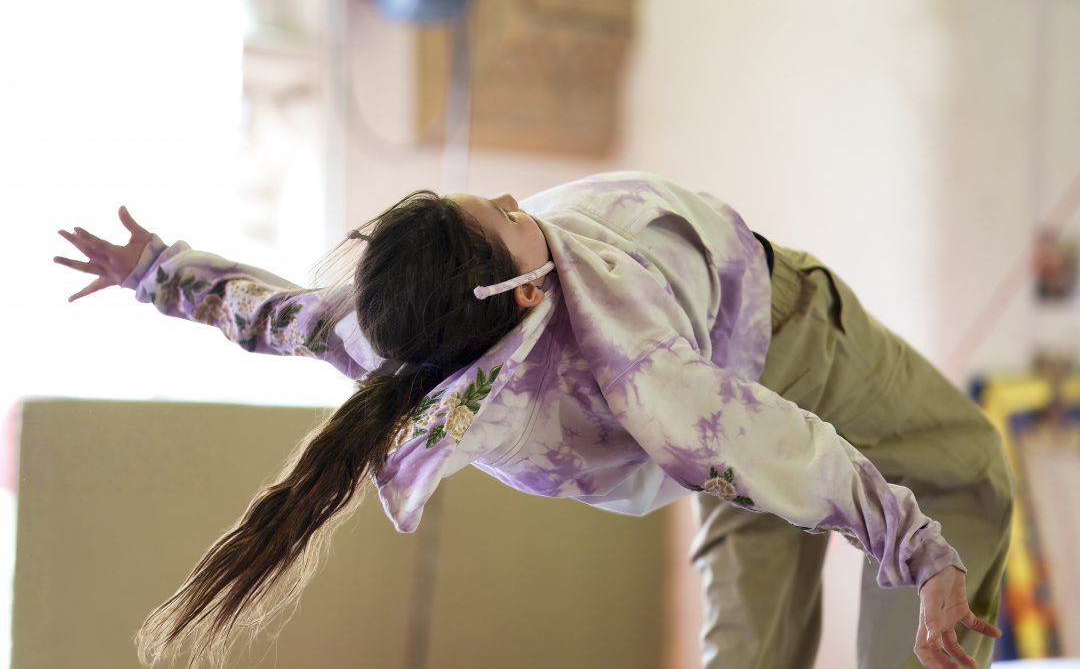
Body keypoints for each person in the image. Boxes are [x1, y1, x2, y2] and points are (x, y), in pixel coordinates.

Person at [54, 171, 1011, 669]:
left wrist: (155, 273)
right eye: (511, 218)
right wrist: (921, 555)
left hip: (711, 423)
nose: (524, 205)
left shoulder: (390, 334)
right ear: (519, 296)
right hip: (781, 345)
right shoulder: (645, 371)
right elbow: (779, 448)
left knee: (752, 553)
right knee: (956, 471)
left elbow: (270, 313)